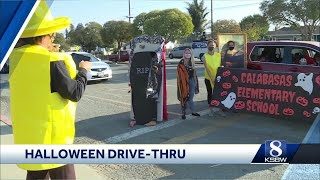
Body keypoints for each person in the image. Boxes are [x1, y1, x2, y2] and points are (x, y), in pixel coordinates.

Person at [9, 1, 91, 179]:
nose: (52, 39)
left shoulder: (15, 60)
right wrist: (83, 70)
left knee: (36, 175)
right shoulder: (52, 60)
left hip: (31, 138)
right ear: (42, 36)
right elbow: (74, 93)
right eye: (52, 36)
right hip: (55, 139)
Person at [203, 40, 226, 117]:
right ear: (207, 46)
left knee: (219, 94)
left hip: (218, 78)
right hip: (208, 78)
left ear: (215, 46)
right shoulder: (204, 56)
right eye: (210, 45)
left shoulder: (218, 55)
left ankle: (220, 110)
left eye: (213, 45)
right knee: (210, 93)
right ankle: (211, 110)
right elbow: (207, 69)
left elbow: (221, 66)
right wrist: (212, 78)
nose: (211, 46)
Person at [177, 48, 200, 119]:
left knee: (191, 97)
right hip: (184, 82)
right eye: (186, 53)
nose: (187, 54)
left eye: (189, 53)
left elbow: (194, 74)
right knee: (184, 97)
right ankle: (183, 113)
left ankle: (193, 111)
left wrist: (196, 83)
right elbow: (179, 74)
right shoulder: (181, 62)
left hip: (192, 81)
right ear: (184, 54)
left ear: (191, 54)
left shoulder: (192, 62)